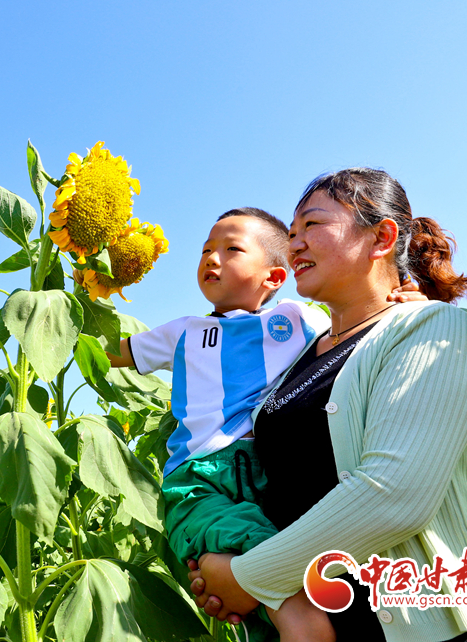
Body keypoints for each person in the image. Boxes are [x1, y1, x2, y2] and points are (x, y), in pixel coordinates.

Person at [187, 168, 467, 642]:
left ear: (382, 237)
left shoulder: (436, 329)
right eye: (291, 233)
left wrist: (247, 577)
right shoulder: (300, 354)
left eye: (312, 225)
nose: (295, 244)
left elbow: (394, 495)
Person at [107, 207, 421, 641]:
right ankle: (304, 622)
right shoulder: (184, 332)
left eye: (231, 249)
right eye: (206, 250)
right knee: (261, 559)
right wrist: (88, 284)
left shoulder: (296, 319)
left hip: (269, 474)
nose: (212, 258)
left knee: (256, 601)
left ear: (274, 277)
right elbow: (112, 350)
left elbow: (357, 327)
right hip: (200, 475)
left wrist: (406, 304)